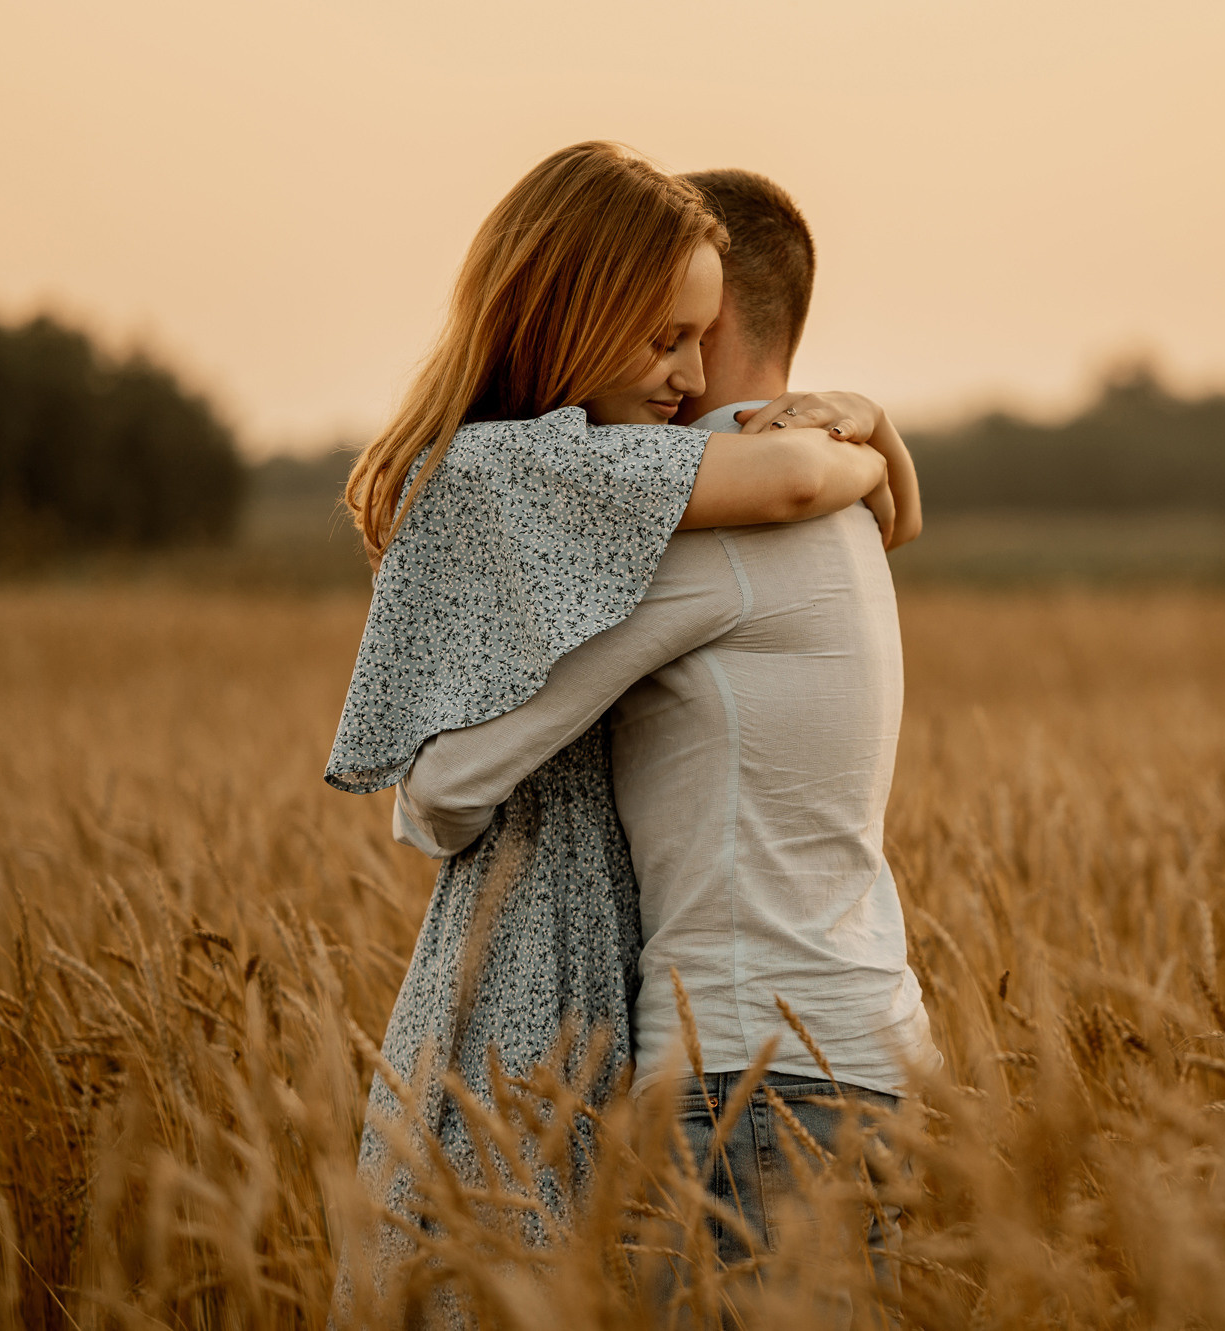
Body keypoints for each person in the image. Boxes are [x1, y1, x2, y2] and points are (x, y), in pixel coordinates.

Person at [323, 142, 915, 1309]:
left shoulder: (704, 530)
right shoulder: (786, 506)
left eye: (693, 336)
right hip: (854, 1042)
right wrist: (871, 433)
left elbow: (442, 790)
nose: (683, 377)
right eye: (660, 336)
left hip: (748, 1059)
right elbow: (854, 498)